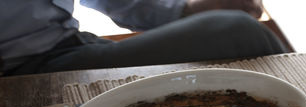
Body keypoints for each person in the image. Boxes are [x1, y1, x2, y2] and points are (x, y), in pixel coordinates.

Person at [0, 0, 288, 76]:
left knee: (235, 33)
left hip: (70, 48)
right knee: (240, 33)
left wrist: (186, 9)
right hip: (23, 70)